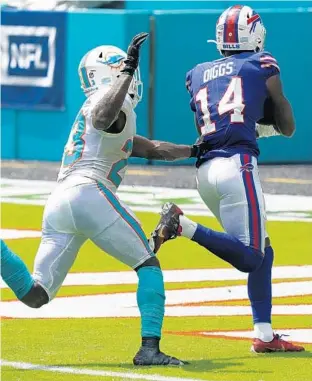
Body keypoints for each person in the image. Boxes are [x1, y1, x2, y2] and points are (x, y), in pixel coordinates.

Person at [0, 32, 199, 365]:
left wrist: (197, 150)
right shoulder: (107, 104)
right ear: (113, 72)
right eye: (124, 70)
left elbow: (151, 148)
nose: (131, 76)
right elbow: (102, 117)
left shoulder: (106, 110)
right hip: (89, 192)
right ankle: (149, 348)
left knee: (37, 294)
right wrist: (125, 72)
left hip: (60, 202)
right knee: (148, 263)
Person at [150, 5, 305, 353]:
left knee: (263, 249)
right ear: (257, 36)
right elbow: (289, 127)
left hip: (205, 172)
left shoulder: (197, 73)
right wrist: (273, 97)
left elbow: (224, 119)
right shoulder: (261, 65)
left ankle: (264, 335)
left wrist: (252, 125)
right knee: (251, 256)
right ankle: (182, 226)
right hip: (237, 166)